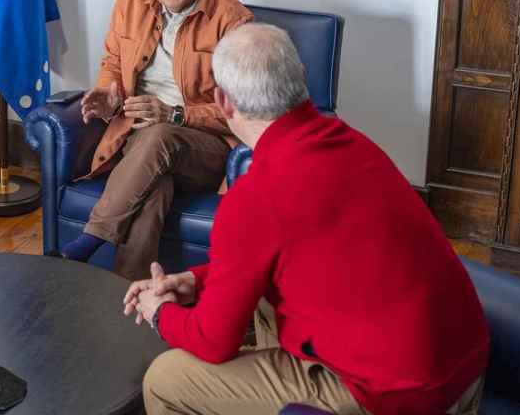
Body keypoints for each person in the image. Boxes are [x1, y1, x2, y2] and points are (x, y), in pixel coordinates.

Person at [123, 23, 489, 414]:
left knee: (165, 379)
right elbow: (277, 256)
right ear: (299, 81)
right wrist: (195, 280)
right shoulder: (352, 143)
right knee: (263, 299)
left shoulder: (254, 197)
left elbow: (213, 344)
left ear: (223, 101)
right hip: (463, 369)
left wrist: (160, 314)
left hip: (402, 398)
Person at [59, 0, 253, 279]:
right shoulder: (130, 0)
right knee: (153, 189)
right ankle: (130, 298)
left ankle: (92, 236)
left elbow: (243, 113)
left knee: (159, 134)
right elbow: (113, 63)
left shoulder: (233, 22)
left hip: (203, 147)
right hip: (135, 141)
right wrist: (108, 93)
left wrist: (175, 115)